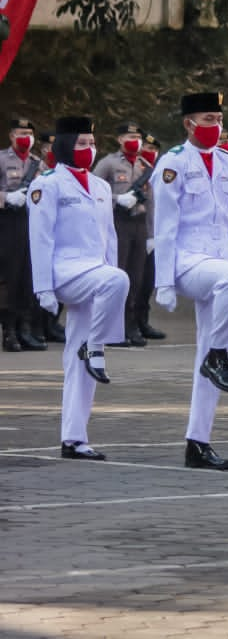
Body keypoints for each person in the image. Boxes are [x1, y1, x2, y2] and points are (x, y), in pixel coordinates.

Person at [151, 92, 228, 471]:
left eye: (219, 119)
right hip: (188, 262)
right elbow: (165, 226)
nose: (215, 126)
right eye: (207, 119)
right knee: (215, 347)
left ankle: (198, 441)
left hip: (223, 264)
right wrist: (163, 282)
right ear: (188, 123)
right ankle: (219, 354)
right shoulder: (173, 163)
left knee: (206, 352)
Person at [28, 115, 129, 462]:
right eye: (82, 144)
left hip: (96, 275)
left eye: (92, 143)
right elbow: (39, 239)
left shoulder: (101, 187)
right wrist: (43, 288)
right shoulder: (48, 184)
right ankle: (98, 346)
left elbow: (109, 238)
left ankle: (74, 438)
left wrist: (111, 273)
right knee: (118, 281)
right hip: (65, 273)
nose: (89, 149)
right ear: (65, 145)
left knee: (77, 360)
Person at [92, 122, 152, 348]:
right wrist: (118, 200)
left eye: (137, 136)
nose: (134, 140)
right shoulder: (108, 163)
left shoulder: (145, 166)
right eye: (129, 136)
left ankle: (131, 325)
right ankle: (112, 328)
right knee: (118, 275)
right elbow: (93, 191)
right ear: (119, 139)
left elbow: (152, 203)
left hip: (139, 224)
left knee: (136, 278)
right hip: (117, 223)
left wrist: (152, 234)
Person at [1, 117, 45, 353]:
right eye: (20, 132)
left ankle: (25, 328)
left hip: (33, 223)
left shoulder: (38, 164)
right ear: (11, 136)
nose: (25, 136)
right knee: (11, 278)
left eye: (29, 133)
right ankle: (9, 331)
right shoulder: (1, 159)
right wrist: (6, 198)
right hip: (8, 224)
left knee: (30, 277)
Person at [134, 134, 165, 344]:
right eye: (146, 146)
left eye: (154, 149)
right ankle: (129, 324)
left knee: (148, 282)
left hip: (156, 234)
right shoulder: (135, 168)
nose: (150, 151)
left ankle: (142, 321)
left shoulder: (161, 171)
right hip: (135, 231)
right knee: (133, 281)